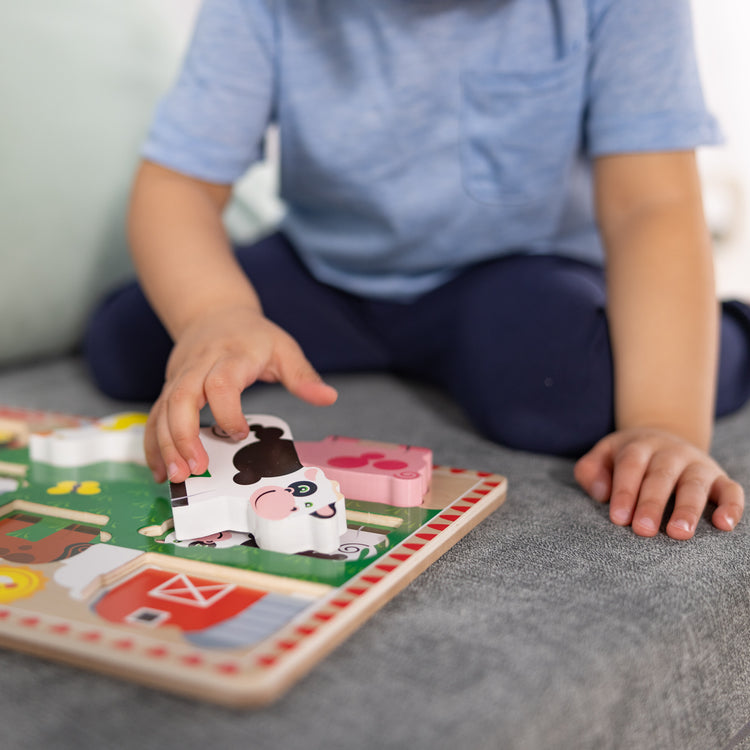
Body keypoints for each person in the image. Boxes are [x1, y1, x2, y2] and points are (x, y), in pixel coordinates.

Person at [85, 0, 750, 541]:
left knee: (555, 392)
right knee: (130, 344)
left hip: (514, 272)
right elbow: (181, 187)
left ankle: (733, 335)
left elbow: (651, 207)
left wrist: (665, 425)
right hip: (332, 267)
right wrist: (214, 317)